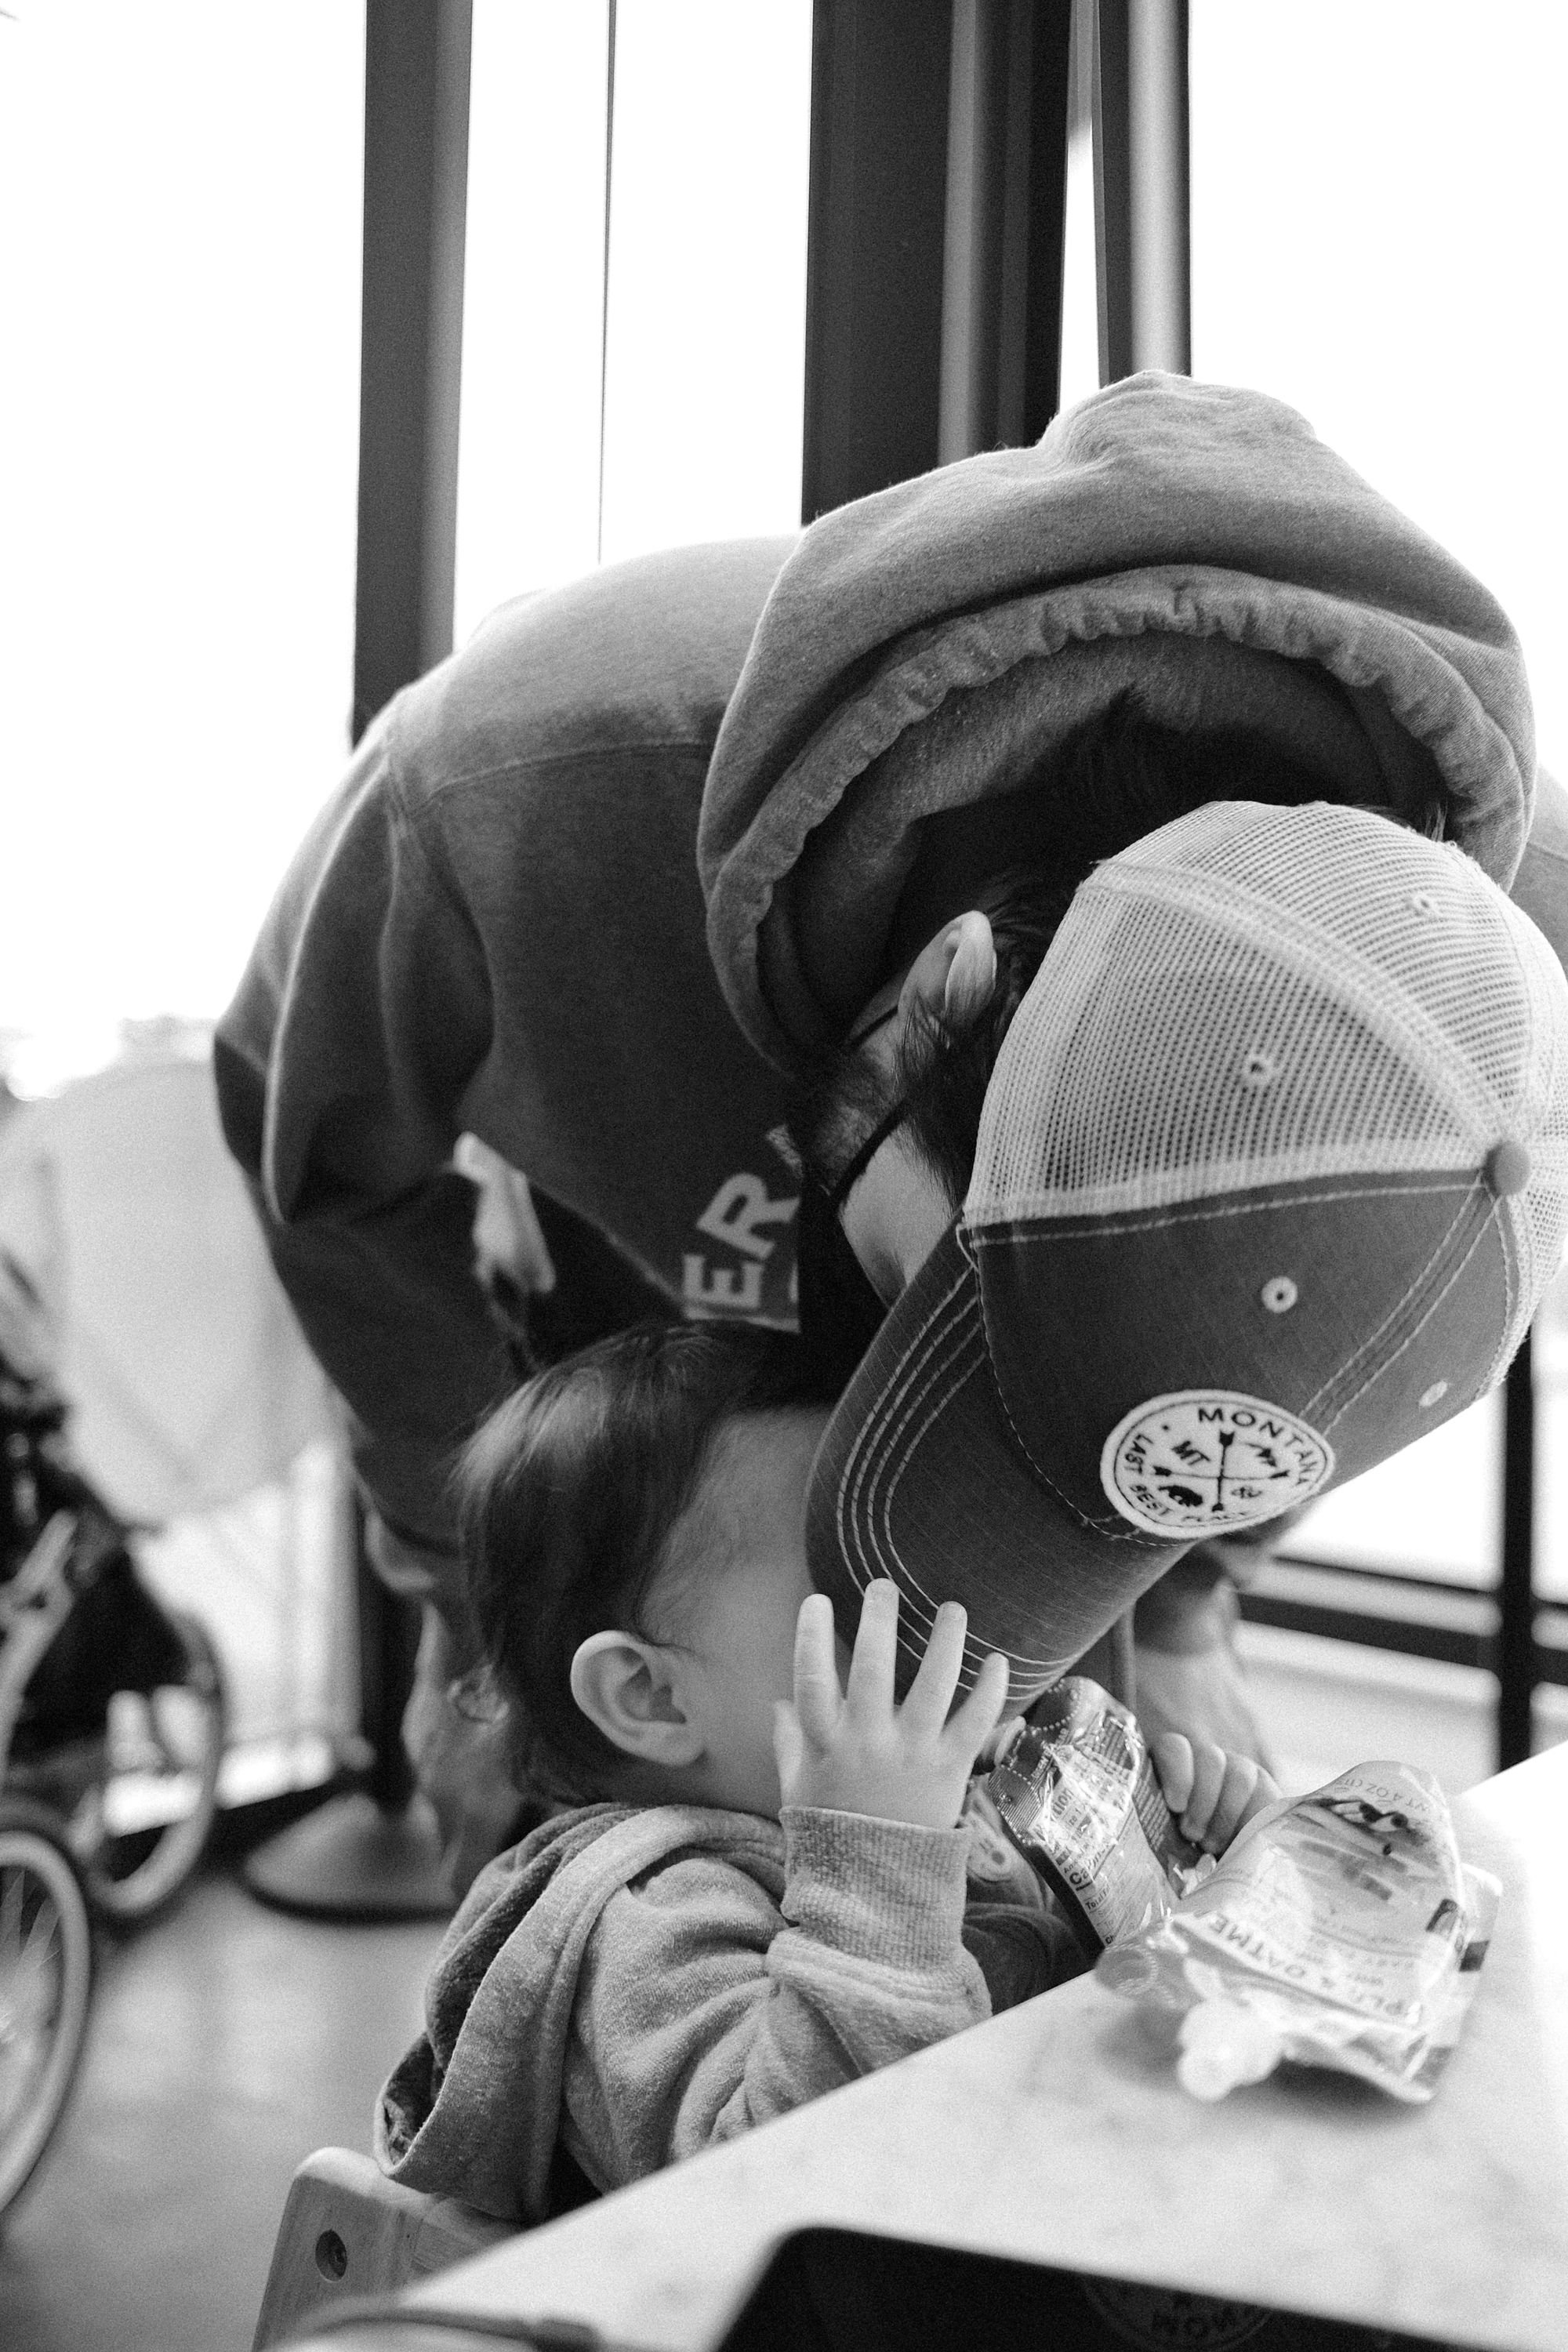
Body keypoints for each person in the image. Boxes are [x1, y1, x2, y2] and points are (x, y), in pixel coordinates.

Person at [215, 372, 1568, 1889]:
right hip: (652, 1404)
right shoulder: (508, 796)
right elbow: (318, 1148)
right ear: (941, 993)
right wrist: (464, 1584)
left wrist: (1190, 1594)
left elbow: (1359, 1331)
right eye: (940, 1306)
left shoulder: (1508, 982)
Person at [374, 1320, 1279, 2223]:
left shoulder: (972, 1805)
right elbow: (799, 2197)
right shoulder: (645, 1926)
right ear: (651, 1697)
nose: (943, 1619)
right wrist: (877, 1866)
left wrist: (1202, 1879)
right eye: (858, 1593)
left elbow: (1116, 2033)